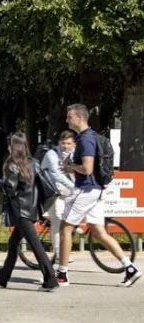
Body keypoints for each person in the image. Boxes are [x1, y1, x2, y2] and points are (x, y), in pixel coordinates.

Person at [57, 103, 142, 287]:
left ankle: (61, 275)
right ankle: (130, 268)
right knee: (99, 231)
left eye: (69, 116)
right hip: (97, 190)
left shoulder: (86, 140)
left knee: (65, 228)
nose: (66, 119)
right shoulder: (91, 137)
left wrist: (70, 165)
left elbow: (87, 169)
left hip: (86, 190)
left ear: (79, 118)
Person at [0, 132, 58, 291]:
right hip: (32, 209)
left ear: (13, 146)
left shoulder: (13, 164)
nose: (7, 147)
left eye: (9, 144)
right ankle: (2, 277)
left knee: (35, 246)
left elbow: (10, 189)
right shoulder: (32, 162)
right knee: (13, 243)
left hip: (21, 211)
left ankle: (51, 279)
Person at [41, 130, 76, 263]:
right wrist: (73, 186)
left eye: (68, 143)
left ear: (74, 144)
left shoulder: (73, 154)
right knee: (58, 219)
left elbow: (75, 172)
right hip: (51, 190)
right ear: (58, 143)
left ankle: (75, 229)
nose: (65, 146)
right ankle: (58, 253)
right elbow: (56, 175)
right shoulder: (52, 154)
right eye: (63, 143)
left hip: (65, 190)